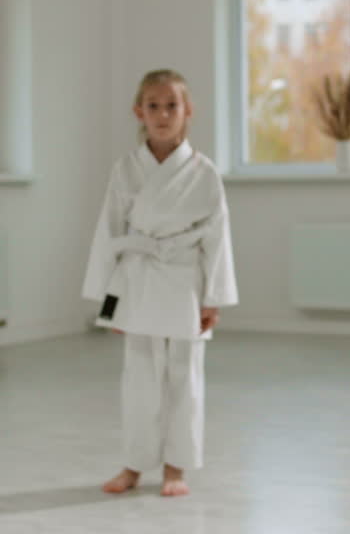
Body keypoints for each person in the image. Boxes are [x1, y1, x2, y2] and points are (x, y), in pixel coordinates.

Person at [82, 68, 238, 497]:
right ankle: (133, 464)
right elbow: (109, 232)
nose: (163, 114)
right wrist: (108, 303)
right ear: (139, 112)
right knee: (138, 378)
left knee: (183, 374)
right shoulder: (126, 169)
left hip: (185, 281)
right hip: (139, 280)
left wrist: (213, 299)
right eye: (153, 106)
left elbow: (217, 239)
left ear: (189, 112)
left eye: (172, 105)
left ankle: (176, 467)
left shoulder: (204, 173)